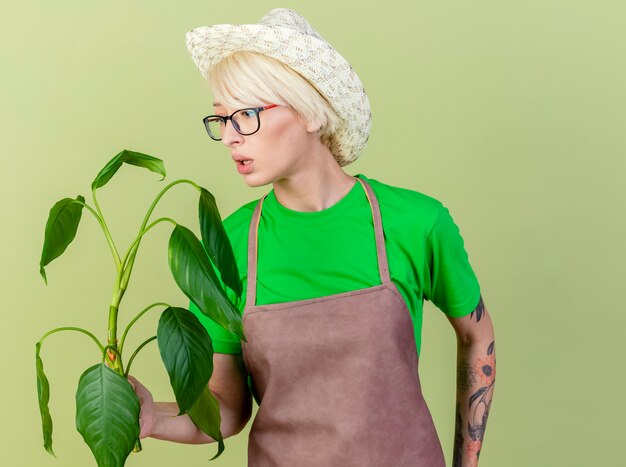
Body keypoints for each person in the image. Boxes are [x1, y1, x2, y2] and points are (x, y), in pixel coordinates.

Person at [129, 7, 496, 467]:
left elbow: (477, 335)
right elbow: (226, 406)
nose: (229, 137)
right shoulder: (229, 241)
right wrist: (154, 418)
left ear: (307, 111)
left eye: (245, 115)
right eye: (222, 119)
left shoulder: (416, 222)